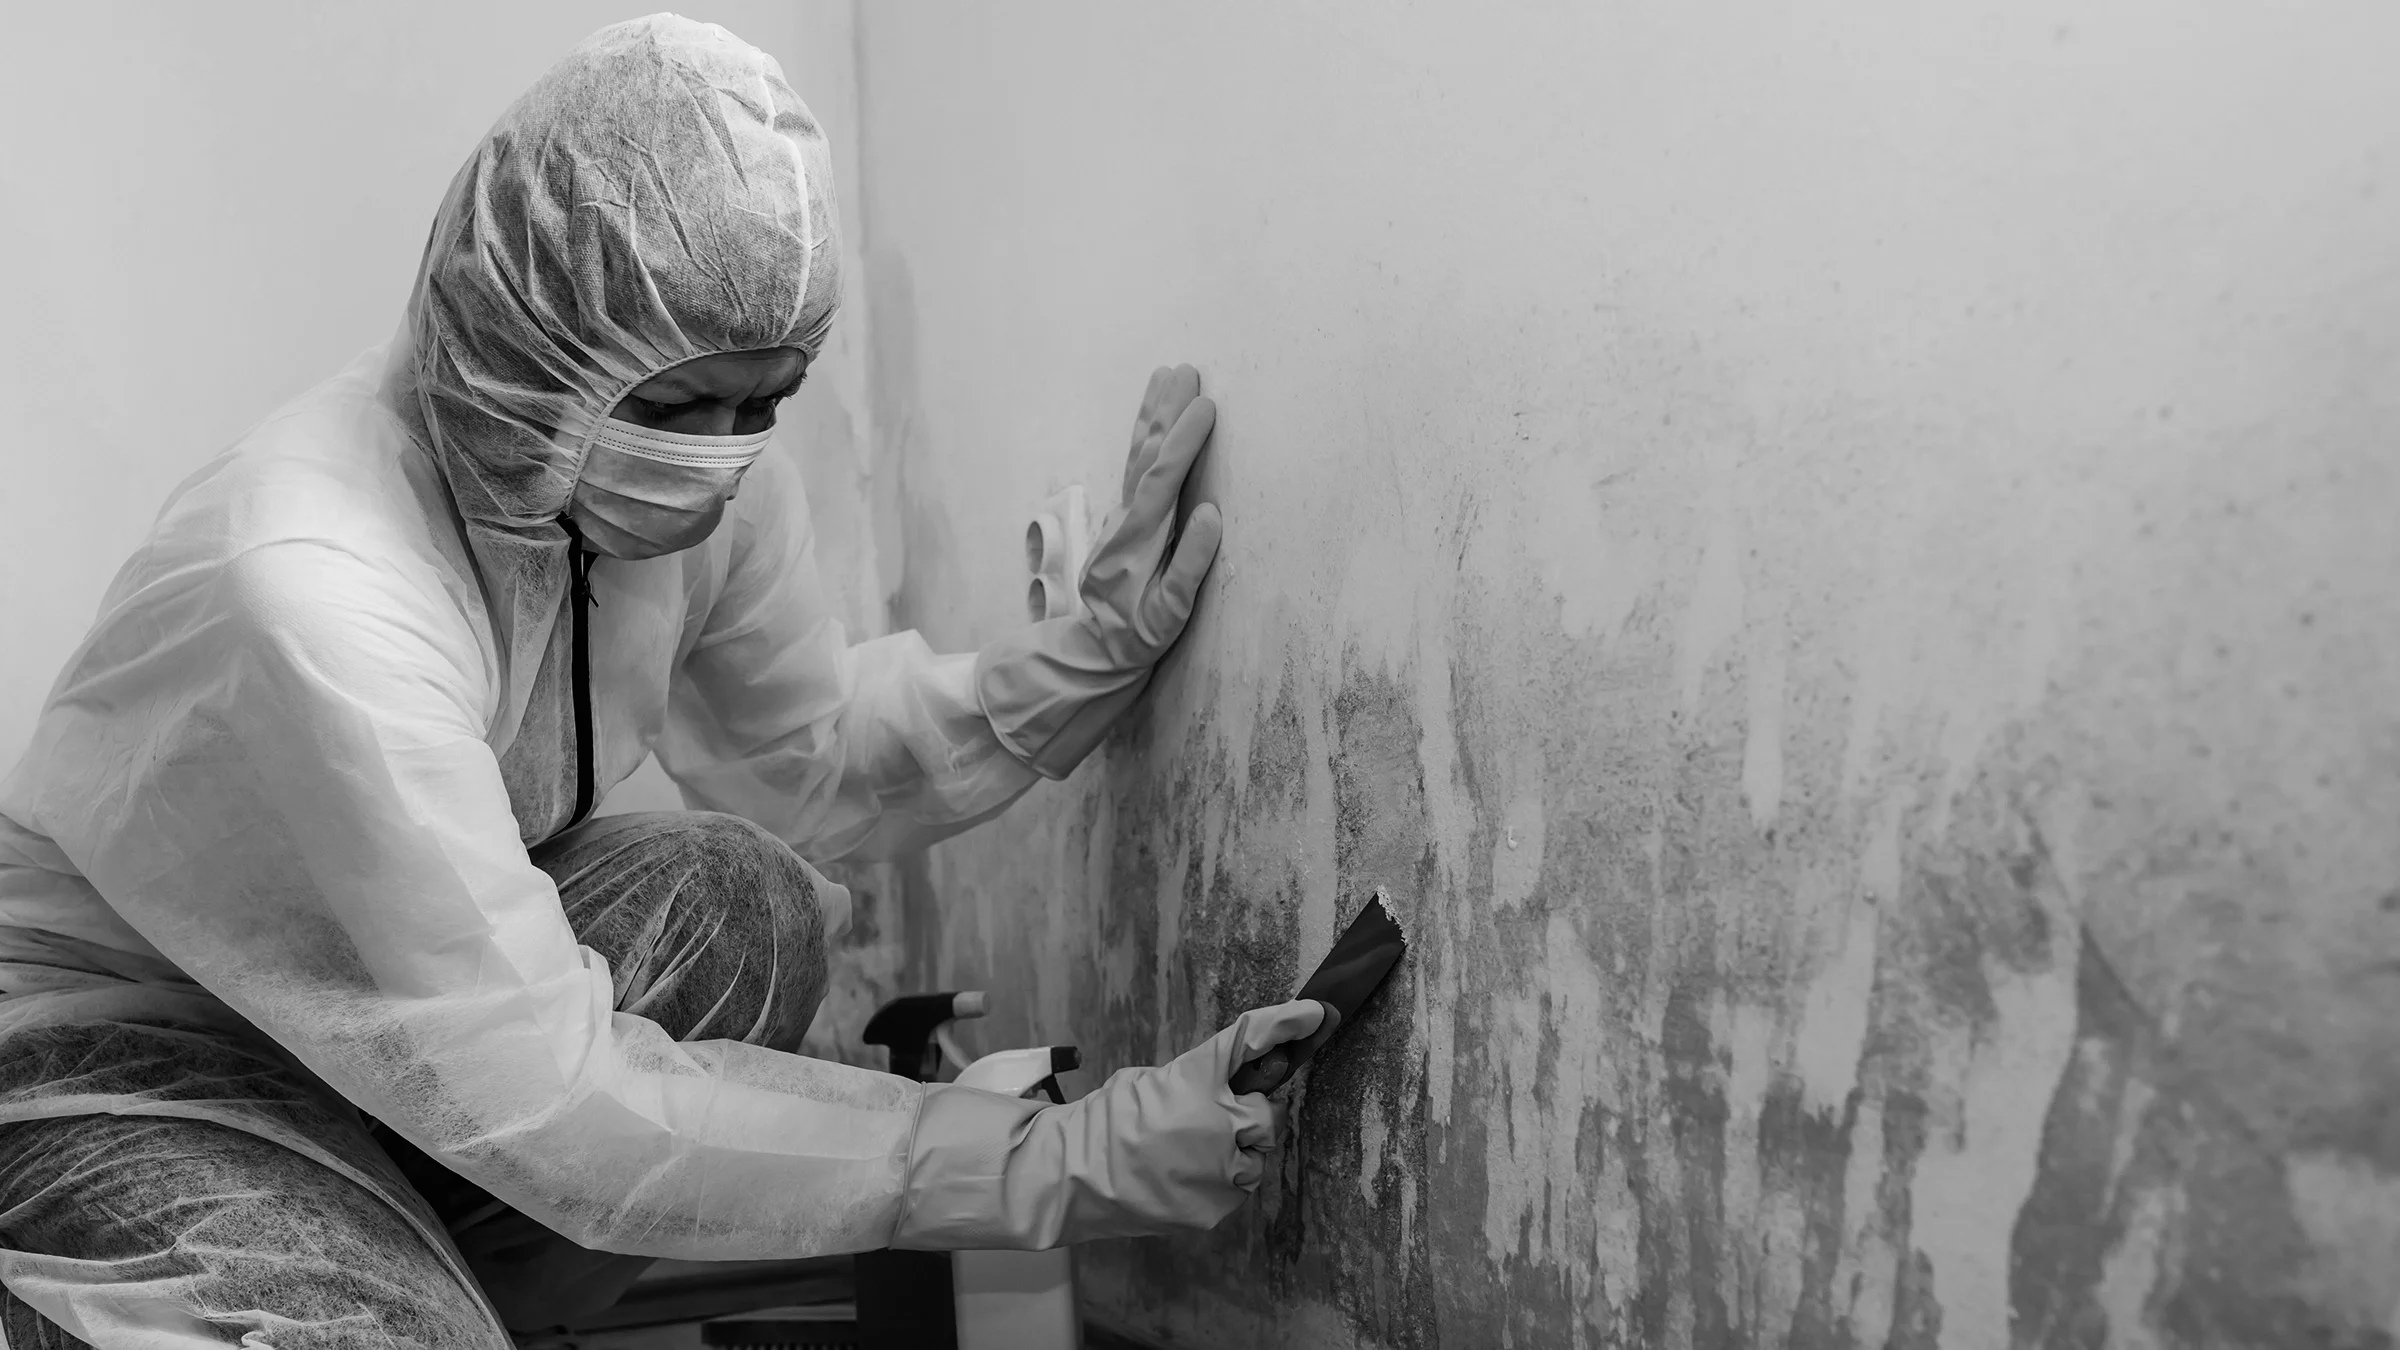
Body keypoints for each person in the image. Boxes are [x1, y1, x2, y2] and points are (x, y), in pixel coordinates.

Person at [0, 16, 1327, 1347]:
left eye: (766, 400)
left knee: (743, 904)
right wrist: (1046, 1158)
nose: (725, 454)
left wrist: (1073, 668)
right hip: (136, 1053)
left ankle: (422, 1292)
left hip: (404, 1037)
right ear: (525, 341)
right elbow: (561, 1098)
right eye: (683, 408)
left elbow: (805, 753)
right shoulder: (316, 580)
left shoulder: (683, 488)